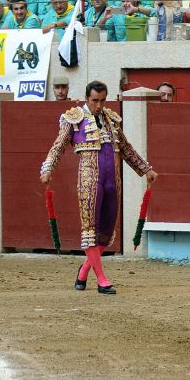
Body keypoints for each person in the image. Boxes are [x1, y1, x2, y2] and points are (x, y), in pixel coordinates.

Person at [40, 80, 158, 295]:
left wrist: (145, 169)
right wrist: (47, 169)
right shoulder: (73, 118)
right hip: (89, 180)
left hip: (113, 181)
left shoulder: (110, 119)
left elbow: (126, 148)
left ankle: (84, 270)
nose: (99, 105)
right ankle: (102, 279)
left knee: (106, 231)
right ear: (87, 98)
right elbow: (58, 146)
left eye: (103, 100)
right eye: (95, 101)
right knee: (90, 230)